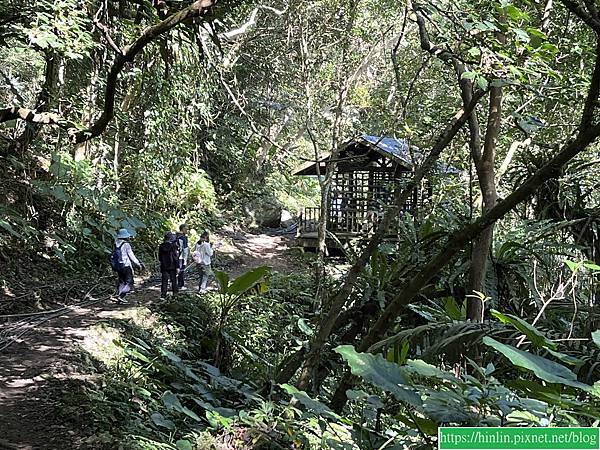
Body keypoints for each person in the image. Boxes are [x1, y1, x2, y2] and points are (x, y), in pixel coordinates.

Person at [114, 229, 144, 304]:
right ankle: (121, 296)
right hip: (126, 265)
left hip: (118, 266)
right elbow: (131, 255)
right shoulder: (126, 244)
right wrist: (138, 264)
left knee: (122, 282)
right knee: (130, 282)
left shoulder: (115, 243)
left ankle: (120, 299)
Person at [158, 232, 179, 299]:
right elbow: (175, 257)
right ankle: (175, 294)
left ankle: (163, 295)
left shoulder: (161, 246)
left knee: (164, 281)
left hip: (164, 266)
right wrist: (177, 266)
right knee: (174, 280)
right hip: (172, 266)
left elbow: (160, 257)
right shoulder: (173, 246)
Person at [176, 224, 189, 290]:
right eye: (186, 229)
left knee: (177, 270)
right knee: (181, 271)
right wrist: (185, 259)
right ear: (183, 229)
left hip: (175, 256)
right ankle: (180, 285)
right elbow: (185, 249)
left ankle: (177, 284)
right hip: (181, 257)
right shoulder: (183, 237)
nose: (187, 230)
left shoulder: (176, 236)